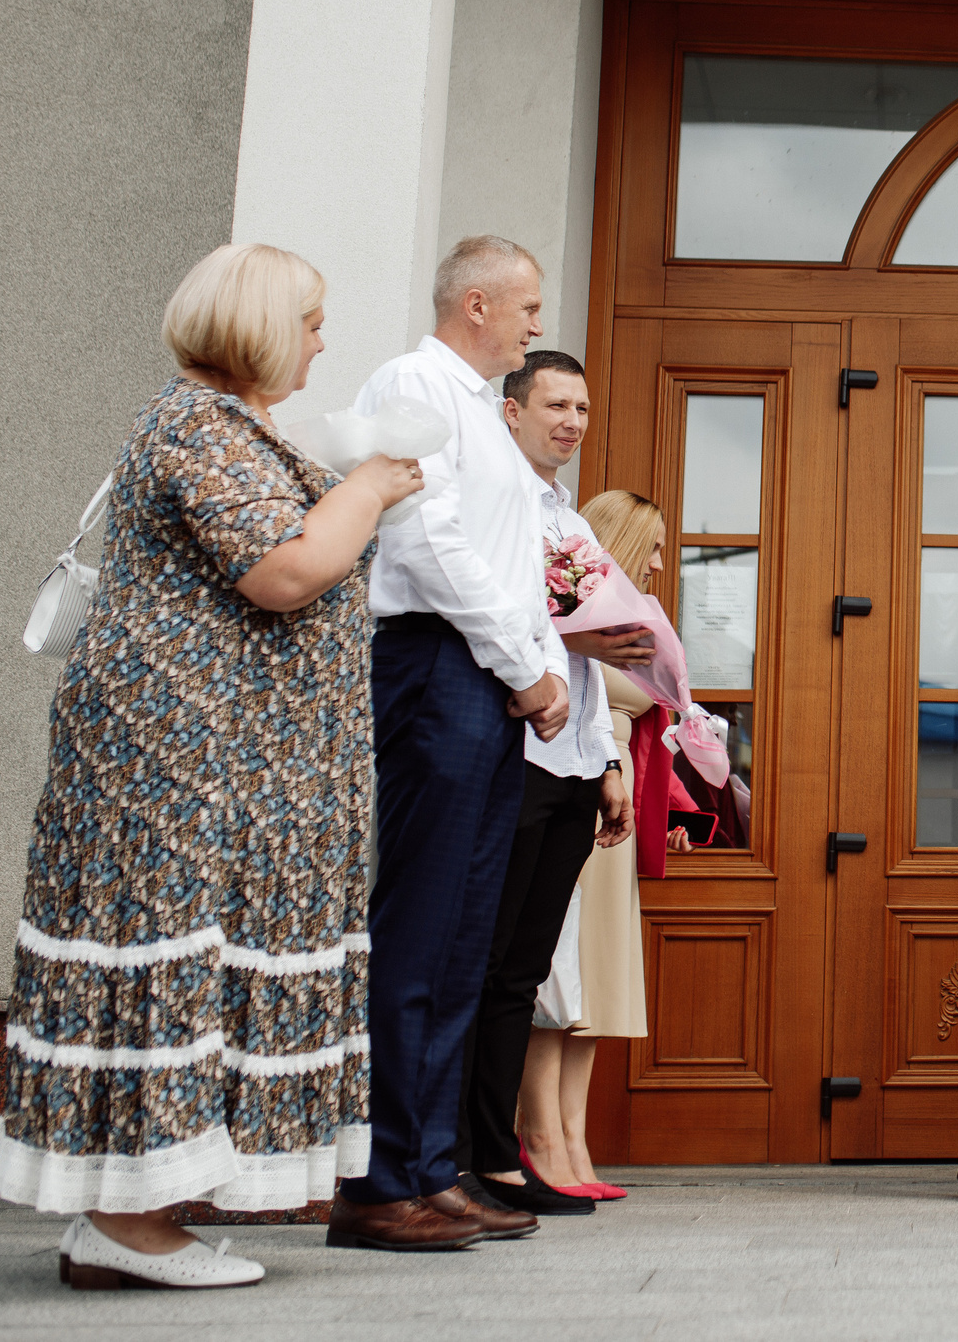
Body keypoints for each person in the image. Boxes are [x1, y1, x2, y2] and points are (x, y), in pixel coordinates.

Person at [0, 244, 420, 1289]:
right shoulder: (192, 425)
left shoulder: (229, 430)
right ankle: (123, 1228)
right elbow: (283, 571)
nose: (323, 339)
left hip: (225, 761)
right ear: (264, 325)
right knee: (167, 949)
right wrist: (365, 490)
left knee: (201, 955)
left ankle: (146, 1214)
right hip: (174, 753)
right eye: (312, 320)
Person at [329, 236, 573, 1253]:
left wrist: (528, 663)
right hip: (439, 669)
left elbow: (508, 558)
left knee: (465, 936)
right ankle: (382, 1181)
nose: (535, 325)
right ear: (476, 303)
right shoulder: (414, 382)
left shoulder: (477, 403)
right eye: (525, 307)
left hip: (483, 675)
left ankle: (434, 1168)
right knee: (425, 927)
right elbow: (427, 541)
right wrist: (524, 668)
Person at [462, 351, 647, 1219]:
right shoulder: (499, 505)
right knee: (492, 964)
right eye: (555, 404)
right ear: (512, 413)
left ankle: (504, 1156)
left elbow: (592, 659)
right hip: (519, 759)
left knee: (524, 970)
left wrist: (608, 763)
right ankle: (484, 1155)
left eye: (581, 405)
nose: (571, 420)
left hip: (575, 764)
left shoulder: (569, 518)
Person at [518, 488, 678, 1201]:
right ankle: (540, 1132)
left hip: (615, 793)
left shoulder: (629, 616)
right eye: (654, 543)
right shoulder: (574, 616)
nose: (662, 560)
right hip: (577, 783)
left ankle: (575, 1136)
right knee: (558, 976)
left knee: (596, 984)